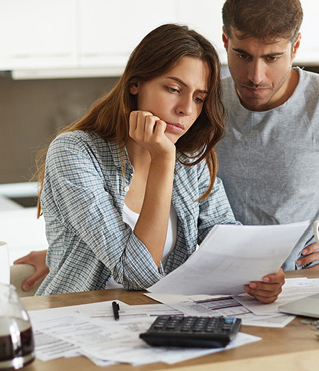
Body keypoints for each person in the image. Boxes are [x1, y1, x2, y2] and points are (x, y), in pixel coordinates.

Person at [17, 0, 319, 289]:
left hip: (265, 290)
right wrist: (68, 248)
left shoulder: (194, 148)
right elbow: (136, 269)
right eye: (242, 55)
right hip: (113, 312)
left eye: (273, 57)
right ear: (226, 42)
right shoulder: (185, 127)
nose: (256, 76)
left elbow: (221, 232)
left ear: (295, 48)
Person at [28, 23, 283, 303]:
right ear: (135, 84)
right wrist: (163, 160)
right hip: (75, 321)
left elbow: (223, 234)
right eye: (174, 89)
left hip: (156, 319)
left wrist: (258, 271)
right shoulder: (74, 153)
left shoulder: (189, 160)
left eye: (199, 98)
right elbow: (136, 274)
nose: (186, 109)